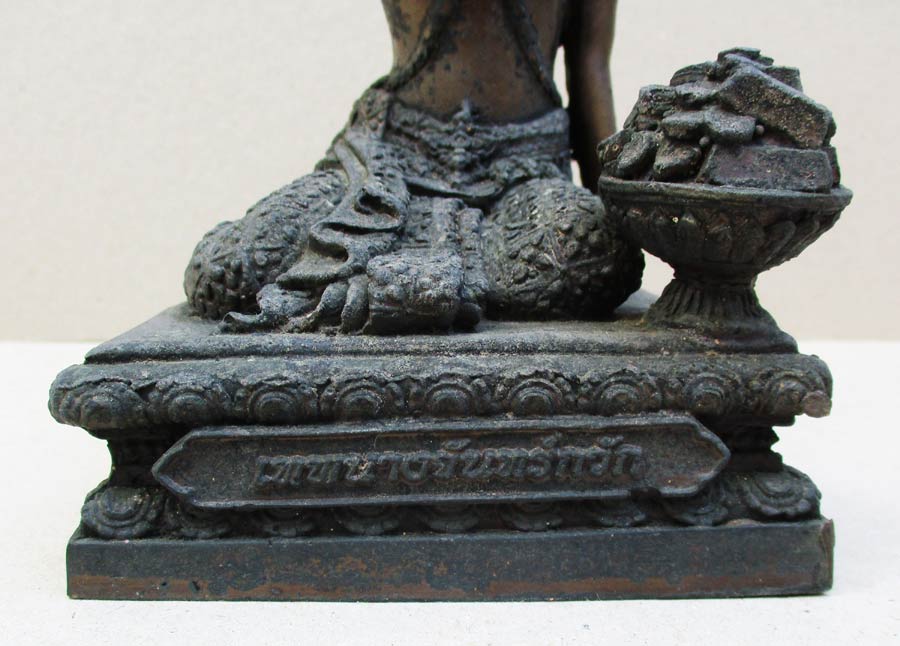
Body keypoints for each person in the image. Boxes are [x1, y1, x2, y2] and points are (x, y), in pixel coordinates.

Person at [184, 0, 642, 334]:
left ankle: (387, 284)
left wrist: (613, 208)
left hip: (523, 169)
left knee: (600, 256)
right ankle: (417, 284)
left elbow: (590, 67)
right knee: (225, 269)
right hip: (385, 162)